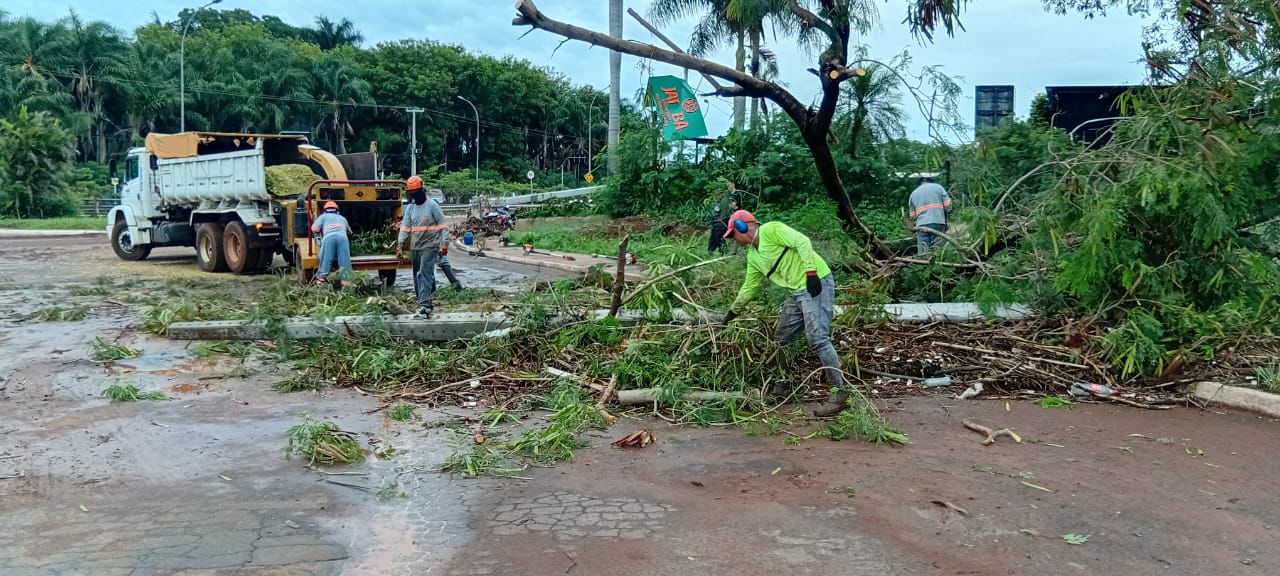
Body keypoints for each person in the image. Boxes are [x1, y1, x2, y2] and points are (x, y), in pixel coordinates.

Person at [721, 209, 847, 417]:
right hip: (795, 291)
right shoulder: (754, 256)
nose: (733, 239)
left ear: (742, 227)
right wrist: (731, 314)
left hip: (815, 282)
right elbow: (749, 287)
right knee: (780, 340)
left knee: (818, 339)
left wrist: (811, 273)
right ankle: (783, 385)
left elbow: (802, 241)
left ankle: (840, 393)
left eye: (733, 234)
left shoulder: (771, 230)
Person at [396, 175, 447, 318]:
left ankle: (425, 304)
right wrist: (400, 244)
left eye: (415, 193)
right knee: (418, 274)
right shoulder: (410, 208)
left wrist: (444, 243)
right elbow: (405, 227)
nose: (413, 196)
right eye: (411, 193)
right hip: (416, 246)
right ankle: (425, 295)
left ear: (421, 191)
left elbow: (443, 225)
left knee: (424, 272)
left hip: (430, 245)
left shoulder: (432, 206)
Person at [908, 176, 953, 256]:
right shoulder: (938, 188)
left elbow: (912, 216)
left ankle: (923, 262)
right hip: (938, 221)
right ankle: (937, 262)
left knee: (923, 250)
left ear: (920, 183)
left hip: (921, 225)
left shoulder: (913, 193)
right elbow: (948, 205)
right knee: (937, 250)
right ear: (931, 181)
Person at [310, 200, 351, 285]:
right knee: (344, 259)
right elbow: (349, 232)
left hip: (329, 238)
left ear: (325, 210)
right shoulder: (342, 218)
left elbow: (314, 228)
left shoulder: (323, 217)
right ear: (337, 210)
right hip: (343, 238)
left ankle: (321, 279)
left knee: (326, 258)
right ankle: (346, 281)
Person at [429, 191, 464, 290]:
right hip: (434, 244)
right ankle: (455, 285)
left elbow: (444, 230)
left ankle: (453, 285)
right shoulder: (433, 216)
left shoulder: (435, 217)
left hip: (437, 244)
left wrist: (444, 244)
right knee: (438, 264)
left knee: (437, 264)